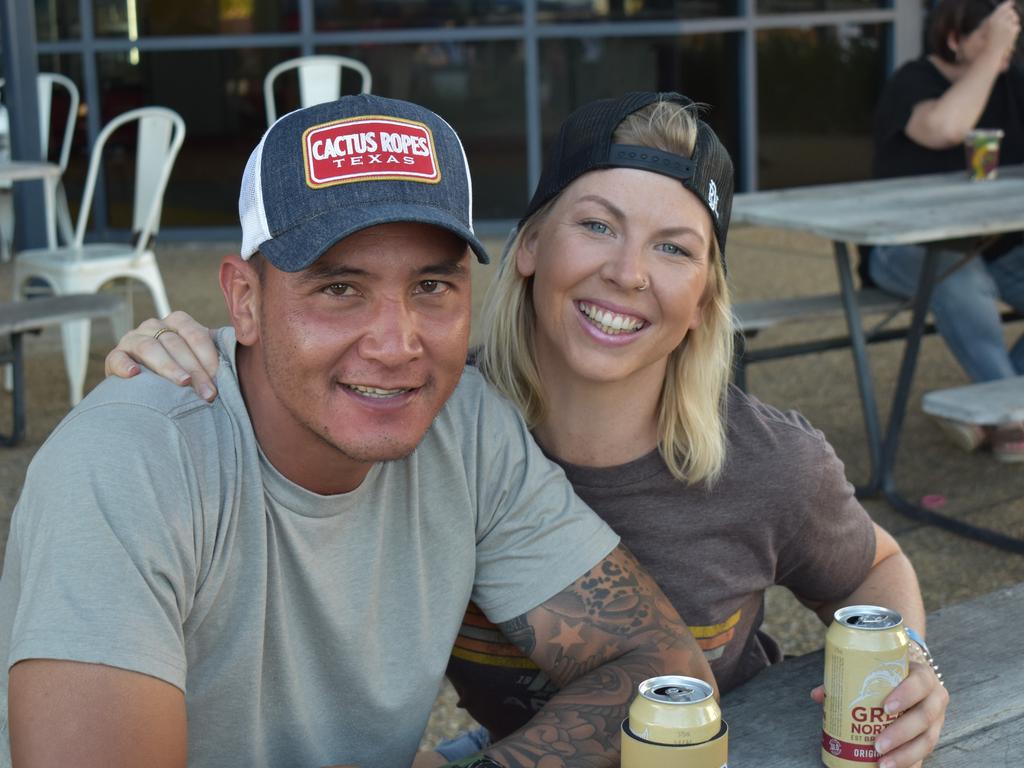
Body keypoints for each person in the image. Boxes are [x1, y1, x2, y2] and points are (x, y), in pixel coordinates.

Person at [106, 92, 949, 768]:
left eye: (674, 248)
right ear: (530, 246)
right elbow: (294, 400)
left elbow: (873, 563)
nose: (626, 273)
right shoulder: (419, 419)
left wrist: (910, 665)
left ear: (705, 298)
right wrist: (204, 351)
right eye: (597, 225)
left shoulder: (769, 461)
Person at [0, 94, 717, 768]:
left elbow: (664, 669)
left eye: (430, 288)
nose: (396, 344)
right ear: (243, 303)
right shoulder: (127, 462)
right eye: (339, 289)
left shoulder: (463, 423)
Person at [868, 0, 1024, 461]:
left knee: (972, 274)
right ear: (953, 39)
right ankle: (1011, 416)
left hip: (997, 246)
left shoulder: (1012, 85)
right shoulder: (912, 82)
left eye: (1010, 42)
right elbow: (947, 127)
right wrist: (992, 51)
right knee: (959, 279)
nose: (1005, 53)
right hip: (904, 246)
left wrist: (994, 54)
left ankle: (985, 410)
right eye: (990, 39)